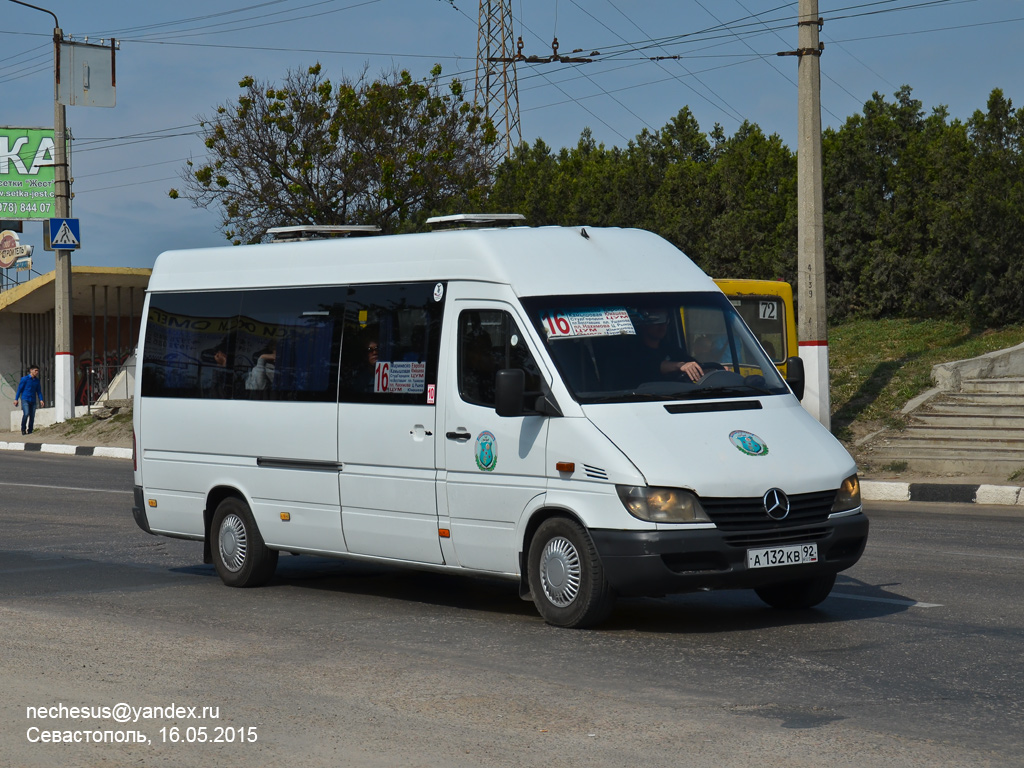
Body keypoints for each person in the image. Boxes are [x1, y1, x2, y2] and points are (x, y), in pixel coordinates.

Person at [634, 309, 704, 382]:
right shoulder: (632, 350)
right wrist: (679, 365)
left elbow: (694, 365)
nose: (663, 325)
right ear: (644, 323)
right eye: (657, 320)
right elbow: (649, 366)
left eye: (665, 320)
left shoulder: (671, 349)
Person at [14, 364, 45, 435]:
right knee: (26, 413)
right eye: (35, 370)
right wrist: (16, 399)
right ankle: (23, 428)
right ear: (31, 370)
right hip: (25, 399)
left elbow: (39, 391)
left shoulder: (37, 381)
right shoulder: (25, 379)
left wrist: (41, 399)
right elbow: (19, 389)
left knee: (32, 415)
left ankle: (30, 430)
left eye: (37, 371)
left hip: (33, 400)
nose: (37, 372)